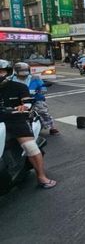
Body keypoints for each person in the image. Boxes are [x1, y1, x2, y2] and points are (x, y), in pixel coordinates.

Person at [0, 60, 57, 189]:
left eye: (1, 71)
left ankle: (41, 177)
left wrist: (22, 107)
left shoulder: (19, 87)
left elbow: (27, 103)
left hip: (16, 120)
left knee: (30, 146)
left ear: (7, 72)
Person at [9, 63, 59, 135]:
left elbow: (42, 86)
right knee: (8, 111)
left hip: (35, 98)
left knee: (43, 111)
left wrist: (42, 90)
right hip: (17, 99)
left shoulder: (35, 78)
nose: (24, 72)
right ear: (16, 71)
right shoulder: (10, 79)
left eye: (25, 70)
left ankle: (52, 127)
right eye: (22, 70)